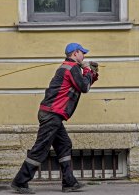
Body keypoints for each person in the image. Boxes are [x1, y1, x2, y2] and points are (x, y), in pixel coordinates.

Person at [11, 43, 99, 194]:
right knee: (40, 149)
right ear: (75, 53)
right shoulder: (71, 68)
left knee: (64, 144)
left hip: (53, 114)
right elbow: (84, 87)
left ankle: (69, 182)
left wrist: (92, 73)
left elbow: (83, 84)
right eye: (82, 53)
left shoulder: (71, 68)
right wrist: (88, 70)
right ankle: (20, 182)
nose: (84, 56)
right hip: (52, 114)